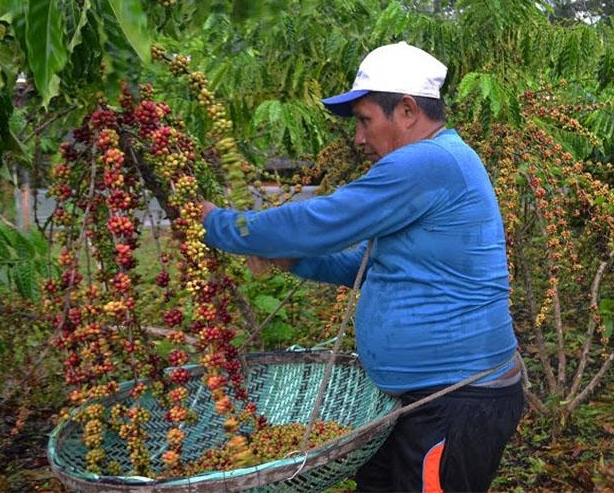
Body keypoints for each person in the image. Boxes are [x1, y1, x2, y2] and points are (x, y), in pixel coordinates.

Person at [201, 41, 523, 492]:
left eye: (365, 120)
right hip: (412, 400)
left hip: (453, 400)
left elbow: (321, 220)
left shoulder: (428, 161)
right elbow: (372, 264)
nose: (358, 138)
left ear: (407, 110)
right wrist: (293, 257)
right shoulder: (434, 163)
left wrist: (217, 225)